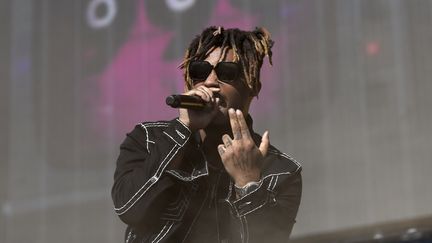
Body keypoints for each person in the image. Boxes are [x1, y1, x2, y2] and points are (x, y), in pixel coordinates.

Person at [111, 26, 302, 243]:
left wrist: (248, 183)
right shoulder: (147, 139)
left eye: (227, 72)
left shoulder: (281, 171)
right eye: (200, 71)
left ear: (254, 87)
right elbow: (129, 208)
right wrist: (182, 130)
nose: (210, 82)